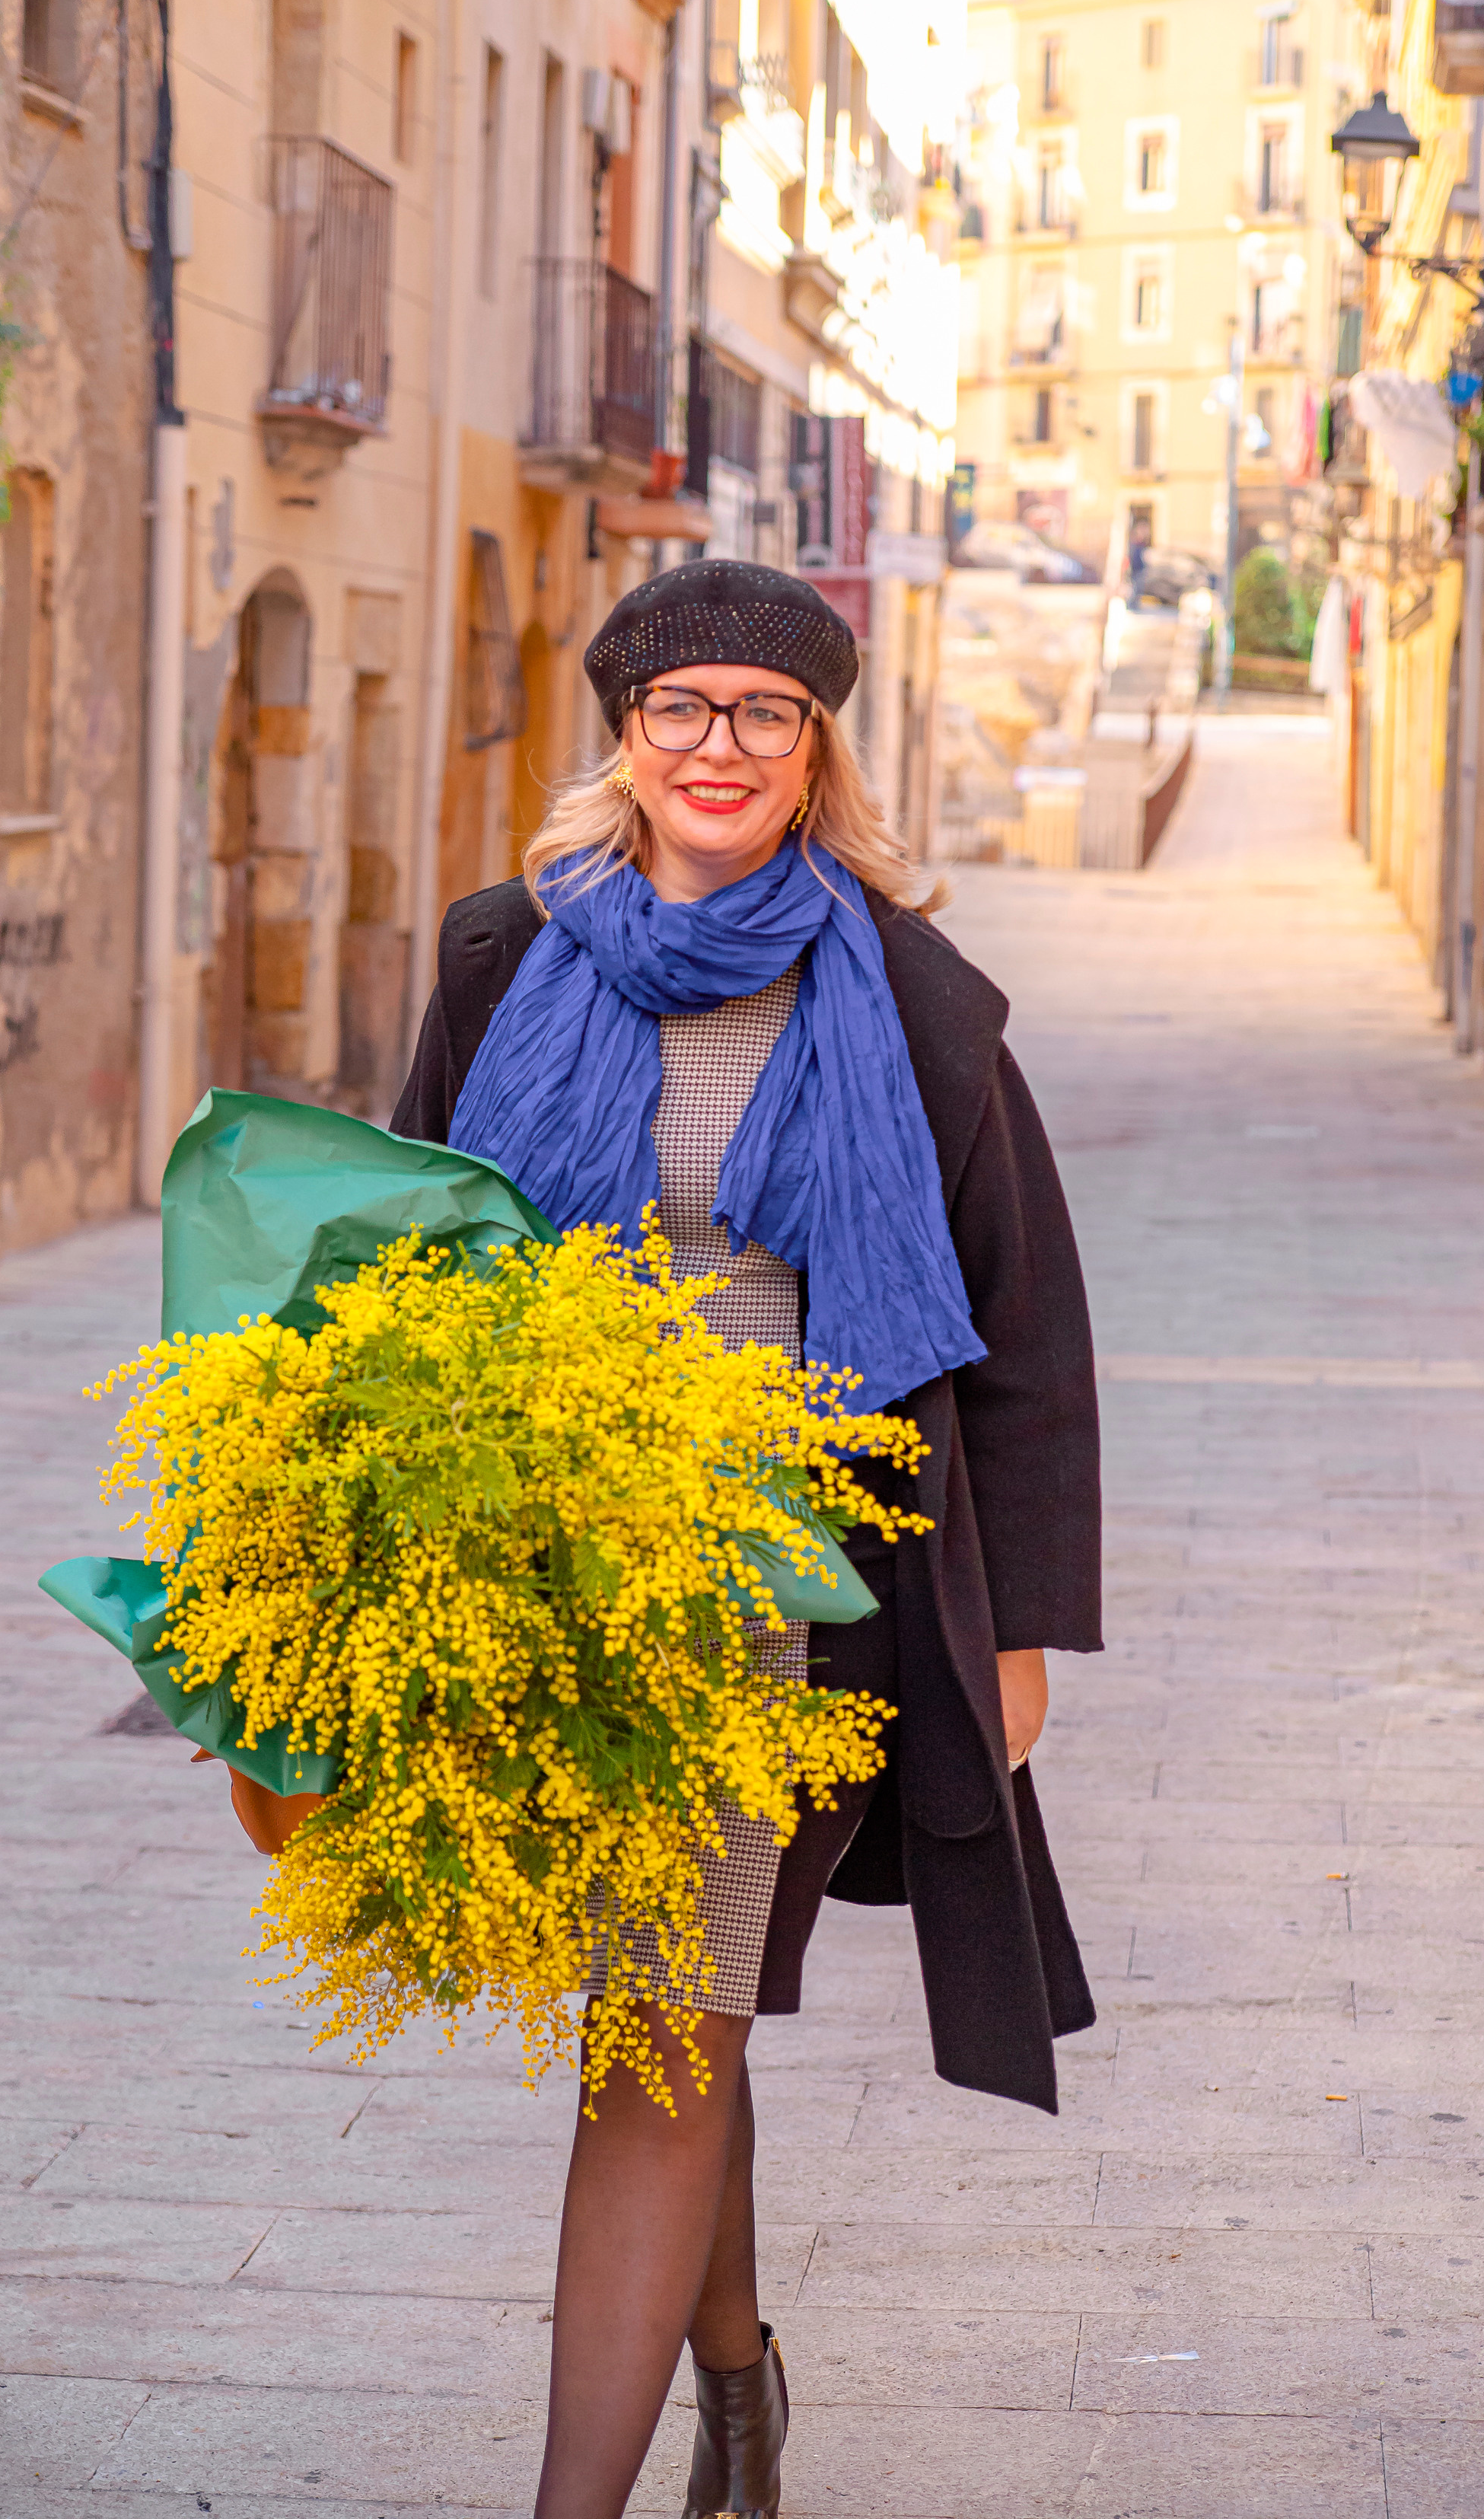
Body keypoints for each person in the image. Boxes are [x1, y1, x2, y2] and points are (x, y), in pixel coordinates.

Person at [391, 559, 1100, 2519]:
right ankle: (741, 2383)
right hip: (552, 1570)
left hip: (793, 1596)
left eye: (764, 715)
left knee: (658, 2035)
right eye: (682, 708)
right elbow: (406, 1255)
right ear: (624, 732)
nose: (721, 747)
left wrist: (1022, 1627)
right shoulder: (497, 955)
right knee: (661, 2017)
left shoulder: (910, 991)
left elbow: (1021, 1326)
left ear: (815, 749)